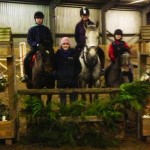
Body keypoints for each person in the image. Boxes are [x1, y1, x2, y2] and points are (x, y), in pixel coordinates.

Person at [21, 11, 54, 82]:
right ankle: (26, 75)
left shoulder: (46, 29)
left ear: (42, 19)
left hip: (45, 49)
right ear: (35, 19)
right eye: (37, 18)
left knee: (53, 57)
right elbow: (29, 40)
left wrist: (46, 44)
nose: (39, 19)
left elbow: (50, 40)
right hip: (35, 49)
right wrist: (36, 44)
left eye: (40, 18)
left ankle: (55, 74)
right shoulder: (31, 29)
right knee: (26, 59)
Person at [74, 7, 105, 72]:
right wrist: (79, 43)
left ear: (88, 15)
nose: (85, 16)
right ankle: (75, 70)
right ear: (81, 16)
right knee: (74, 54)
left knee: (102, 53)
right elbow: (76, 36)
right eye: (83, 15)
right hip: (81, 44)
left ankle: (102, 68)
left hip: (92, 44)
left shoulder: (92, 24)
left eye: (86, 15)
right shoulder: (78, 25)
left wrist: (95, 44)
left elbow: (96, 34)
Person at [54, 37, 80, 105]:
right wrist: (57, 75)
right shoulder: (57, 54)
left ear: (69, 45)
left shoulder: (74, 54)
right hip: (61, 80)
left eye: (67, 44)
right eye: (64, 44)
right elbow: (54, 67)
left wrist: (74, 74)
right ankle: (63, 112)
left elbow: (79, 67)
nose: (65, 45)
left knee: (74, 99)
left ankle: (74, 113)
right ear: (61, 45)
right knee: (62, 100)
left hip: (73, 80)